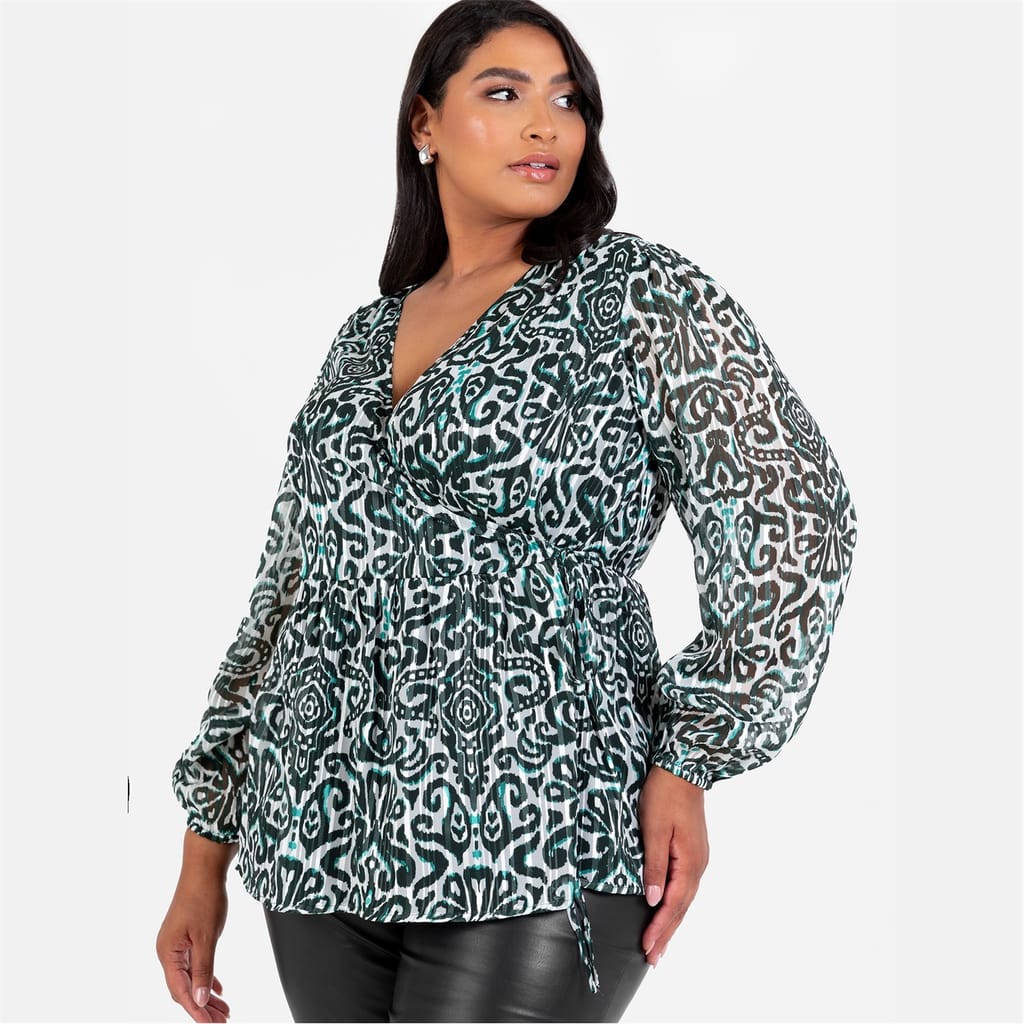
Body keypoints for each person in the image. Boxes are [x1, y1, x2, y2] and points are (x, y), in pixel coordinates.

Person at [155, 1, 859, 1021]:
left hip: (542, 829)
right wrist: (202, 854)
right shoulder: (362, 338)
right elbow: (284, 599)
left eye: (567, 100)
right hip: (313, 838)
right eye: (504, 92)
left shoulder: (634, 295)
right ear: (425, 123)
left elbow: (795, 518)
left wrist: (690, 753)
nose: (545, 124)